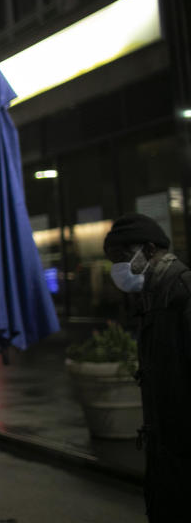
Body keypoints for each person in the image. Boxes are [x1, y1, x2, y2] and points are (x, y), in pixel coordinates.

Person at [103, 213, 191, 522]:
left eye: (122, 258)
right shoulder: (152, 296)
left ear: (150, 250)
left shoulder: (181, 292)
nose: (118, 269)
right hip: (166, 454)